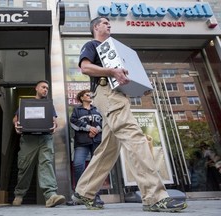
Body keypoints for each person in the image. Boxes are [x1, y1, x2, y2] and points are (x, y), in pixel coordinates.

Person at [71, 16, 188, 212]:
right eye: (105, 23)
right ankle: (154, 196)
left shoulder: (115, 50)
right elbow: (85, 68)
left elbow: (124, 73)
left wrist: (140, 85)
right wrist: (111, 72)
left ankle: (84, 191)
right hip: (107, 92)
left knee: (108, 149)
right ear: (95, 27)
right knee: (135, 139)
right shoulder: (92, 44)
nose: (109, 25)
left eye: (110, 23)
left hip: (116, 95)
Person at [12, 80, 65, 207]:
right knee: (24, 167)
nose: (45, 89)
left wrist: (54, 125)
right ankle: (19, 195)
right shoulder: (26, 104)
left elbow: (54, 121)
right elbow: (16, 118)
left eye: (47, 88)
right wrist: (16, 125)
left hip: (45, 138)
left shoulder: (49, 105)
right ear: (36, 88)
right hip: (28, 139)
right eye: (43, 87)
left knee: (46, 163)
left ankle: (50, 195)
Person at [66, 89, 103, 206]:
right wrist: (88, 128)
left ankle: (95, 196)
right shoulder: (77, 109)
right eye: (87, 95)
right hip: (81, 142)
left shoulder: (97, 108)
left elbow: (105, 121)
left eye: (90, 95)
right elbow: (73, 122)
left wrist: (96, 129)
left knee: (97, 168)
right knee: (78, 165)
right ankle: (79, 195)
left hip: (96, 141)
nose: (89, 96)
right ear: (81, 97)